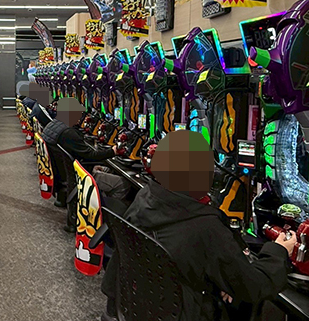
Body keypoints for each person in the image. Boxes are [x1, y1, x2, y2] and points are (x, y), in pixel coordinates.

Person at [101, 130, 294, 321]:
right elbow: (253, 286)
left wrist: (224, 280)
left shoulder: (145, 197)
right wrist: (279, 251)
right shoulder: (205, 226)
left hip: (143, 307)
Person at [41, 97, 120, 231]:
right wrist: (113, 151)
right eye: (78, 113)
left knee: (107, 169)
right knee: (122, 184)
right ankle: (108, 222)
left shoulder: (53, 125)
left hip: (63, 172)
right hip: (79, 176)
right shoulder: (68, 133)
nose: (80, 116)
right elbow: (90, 155)